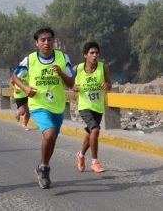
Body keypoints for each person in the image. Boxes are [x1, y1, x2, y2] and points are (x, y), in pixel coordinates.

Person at [12, 27, 74, 189]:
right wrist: (25, 90)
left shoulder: (62, 57)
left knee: (52, 139)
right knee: (49, 134)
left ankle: (42, 166)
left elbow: (72, 84)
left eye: (49, 39)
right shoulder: (30, 59)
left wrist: (61, 73)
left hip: (57, 106)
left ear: (54, 42)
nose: (46, 43)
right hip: (38, 105)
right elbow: (14, 78)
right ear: (37, 43)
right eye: (43, 40)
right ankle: (45, 169)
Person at [72, 41, 111, 173]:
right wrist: (72, 86)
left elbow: (109, 83)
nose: (95, 55)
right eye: (91, 53)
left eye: (96, 53)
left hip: (98, 106)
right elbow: (68, 80)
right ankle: (95, 162)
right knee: (95, 130)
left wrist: (107, 85)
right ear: (85, 55)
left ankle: (80, 155)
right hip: (84, 106)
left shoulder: (103, 67)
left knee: (90, 135)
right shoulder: (77, 68)